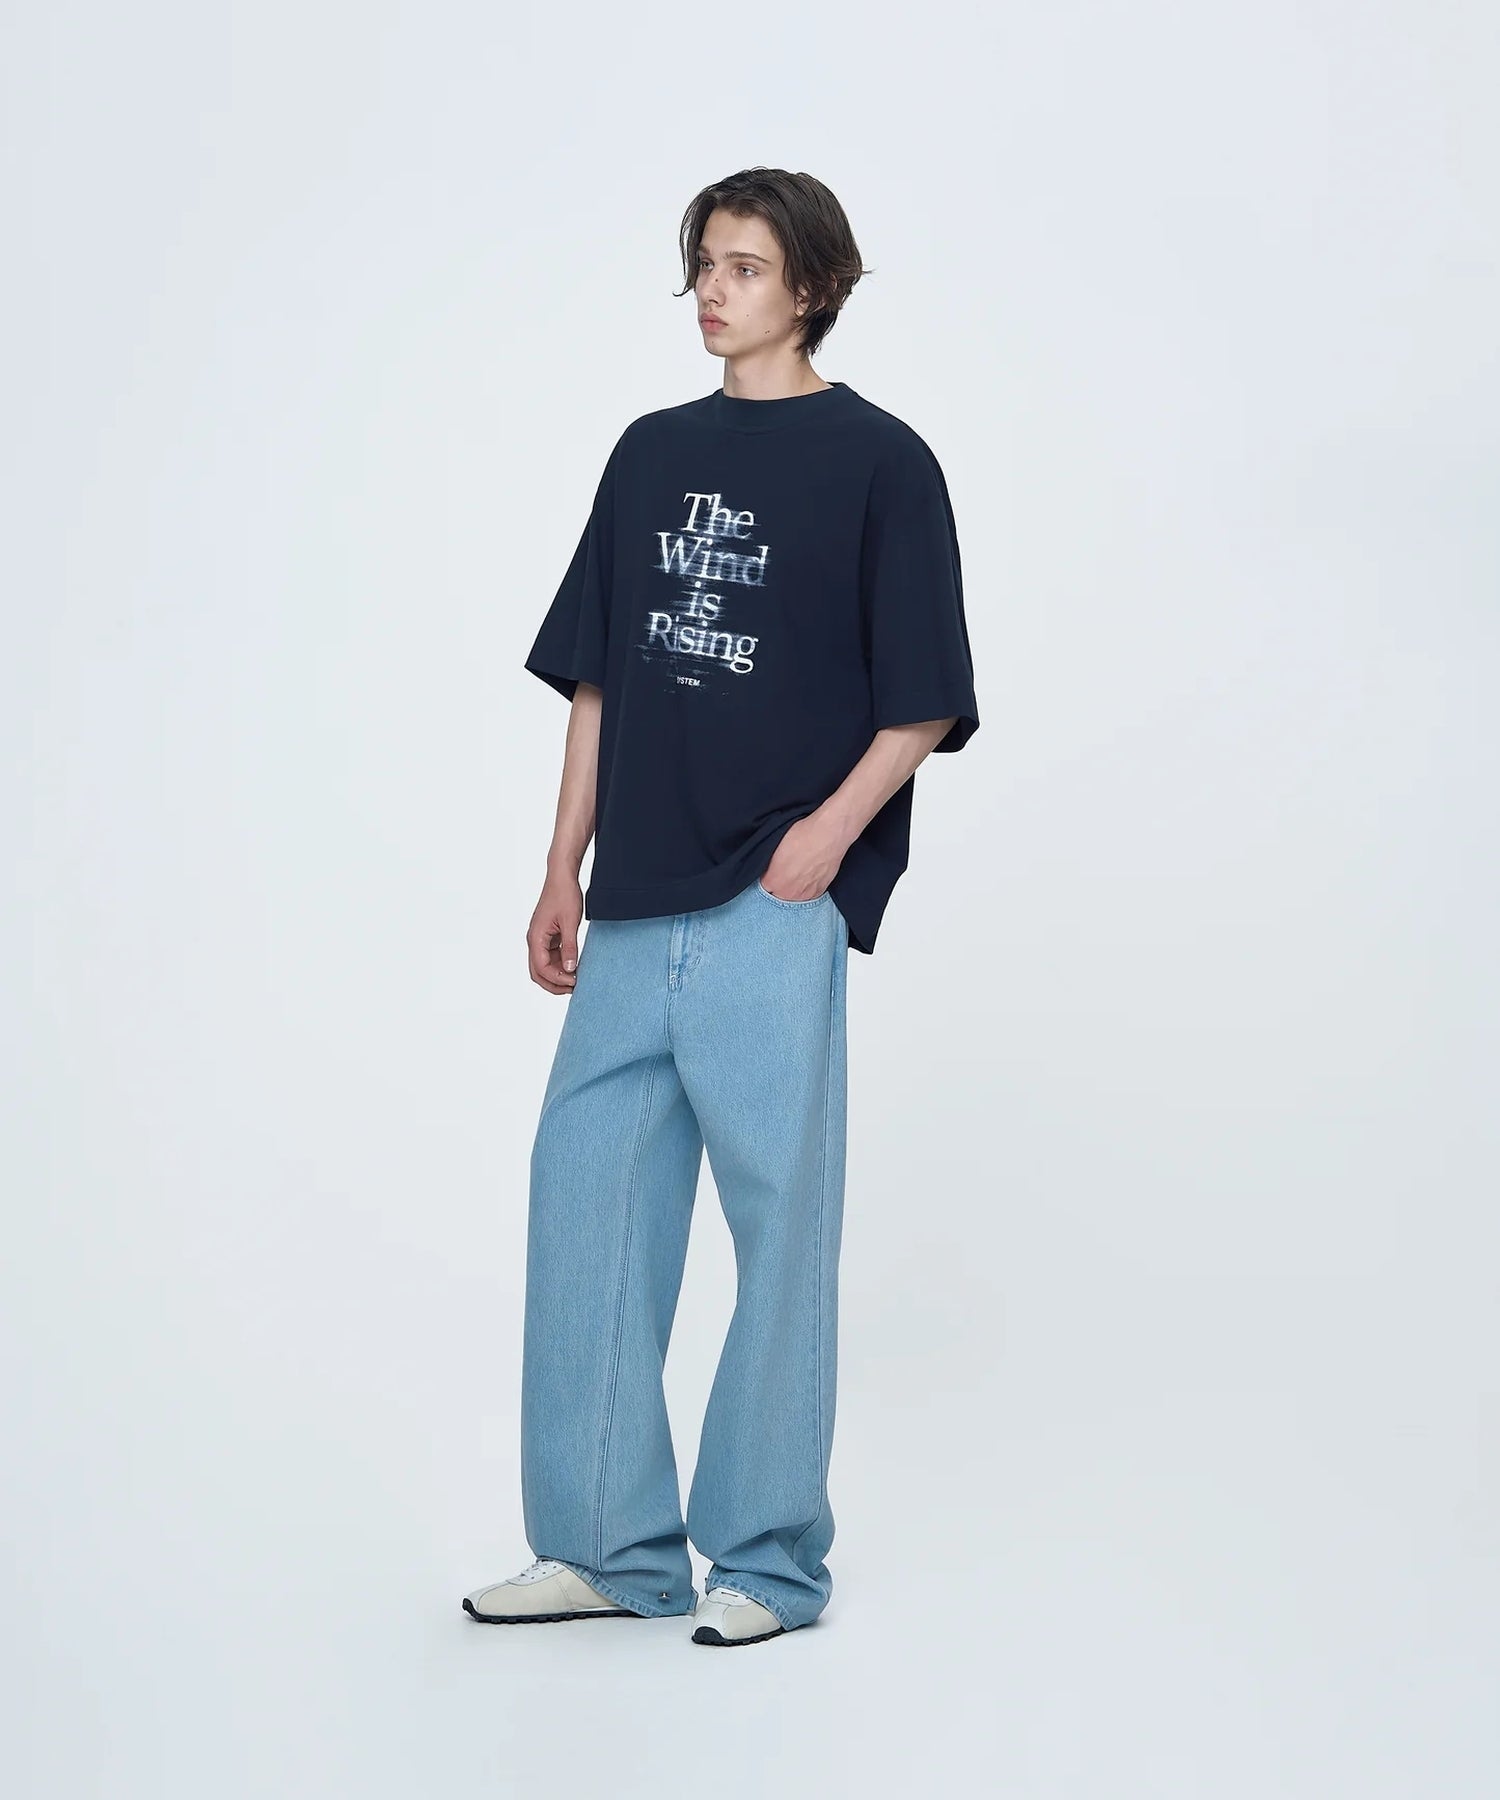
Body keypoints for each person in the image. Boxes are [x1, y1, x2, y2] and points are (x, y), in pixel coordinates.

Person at [463, 167, 980, 1647]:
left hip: (770, 897)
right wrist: (561, 866)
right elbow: (598, 680)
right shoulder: (649, 453)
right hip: (632, 901)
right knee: (586, 1216)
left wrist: (825, 838)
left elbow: (926, 697)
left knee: (778, 1237)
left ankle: (766, 1560)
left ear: (812, 287)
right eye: (702, 263)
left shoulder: (883, 462)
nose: (712, 289)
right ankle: (607, 1550)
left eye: (744, 267)